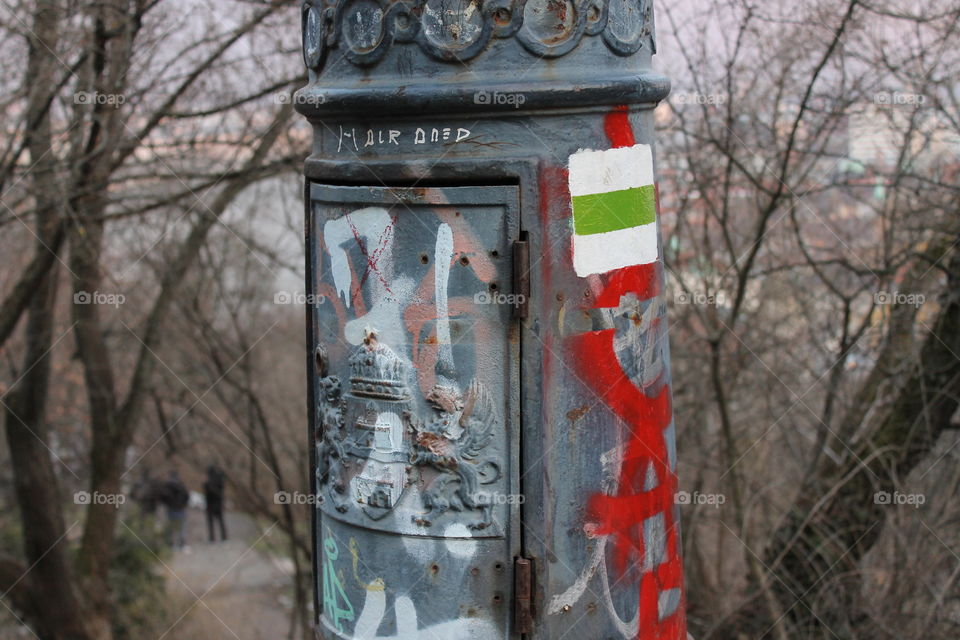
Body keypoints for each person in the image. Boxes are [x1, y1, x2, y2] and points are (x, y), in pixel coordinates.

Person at [160, 470, 189, 549]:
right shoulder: (181, 485)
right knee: (182, 527)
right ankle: (182, 543)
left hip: (171, 509)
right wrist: (183, 504)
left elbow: (163, 497)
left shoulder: (167, 485)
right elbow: (186, 496)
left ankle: (170, 544)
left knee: (170, 527)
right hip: (181, 509)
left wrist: (168, 504)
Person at [203, 465, 228, 542]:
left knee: (213, 522)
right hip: (217, 504)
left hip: (212, 504)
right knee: (220, 521)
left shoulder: (210, 481)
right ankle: (222, 537)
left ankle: (213, 538)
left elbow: (208, 491)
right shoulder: (219, 479)